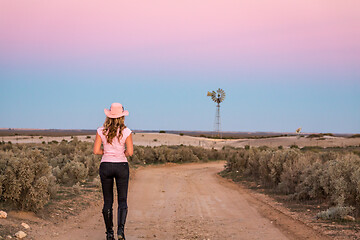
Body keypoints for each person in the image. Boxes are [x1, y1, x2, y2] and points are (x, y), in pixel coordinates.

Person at [93, 103, 133, 240]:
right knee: (122, 200)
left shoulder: (101, 131)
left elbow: (96, 151)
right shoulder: (126, 132)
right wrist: (120, 153)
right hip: (121, 165)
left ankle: (109, 233)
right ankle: (120, 231)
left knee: (107, 201)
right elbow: (130, 152)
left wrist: (107, 152)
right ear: (122, 117)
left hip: (106, 166)